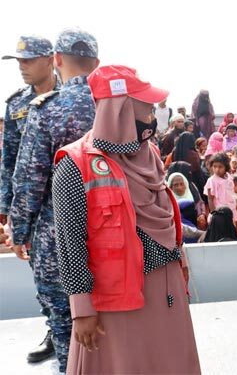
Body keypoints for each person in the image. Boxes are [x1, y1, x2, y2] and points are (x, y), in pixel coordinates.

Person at [52, 65, 200, 374]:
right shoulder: (75, 166)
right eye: (146, 109)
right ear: (120, 110)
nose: (152, 118)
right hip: (117, 307)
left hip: (166, 296)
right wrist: (81, 310)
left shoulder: (150, 155)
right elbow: (70, 243)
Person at [9, 30, 100, 372]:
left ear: (57, 60)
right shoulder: (119, 107)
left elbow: (30, 179)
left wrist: (19, 231)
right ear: (97, 63)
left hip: (59, 235)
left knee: (64, 323)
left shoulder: (47, 110)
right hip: (116, 234)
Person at [0, 35, 60, 364]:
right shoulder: (16, 105)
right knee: (44, 272)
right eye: (18, 61)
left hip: (73, 201)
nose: (22, 66)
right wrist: (8, 211)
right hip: (35, 207)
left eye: (28, 60)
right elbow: (9, 161)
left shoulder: (74, 96)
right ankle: (56, 330)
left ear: (50, 59)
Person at [204, 152, 237, 224]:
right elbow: (210, 199)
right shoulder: (211, 181)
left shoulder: (228, 177)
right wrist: (214, 214)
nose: (217, 169)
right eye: (214, 166)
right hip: (220, 212)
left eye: (220, 167)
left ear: (226, 167)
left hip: (231, 209)